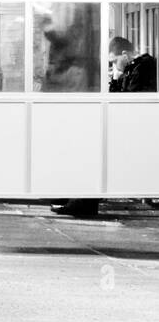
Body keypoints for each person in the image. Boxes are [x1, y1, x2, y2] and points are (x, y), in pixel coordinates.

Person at [53, 36, 158, 218]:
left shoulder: (145, 66)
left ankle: (83, 202)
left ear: (125, 54)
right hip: (127, 127)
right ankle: (74, 197)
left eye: (115, 61)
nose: (115, 66)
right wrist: (116, 80)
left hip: (136, 130)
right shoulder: (133, 68)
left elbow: (130, 100)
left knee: (93, 152)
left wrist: (118, 79)